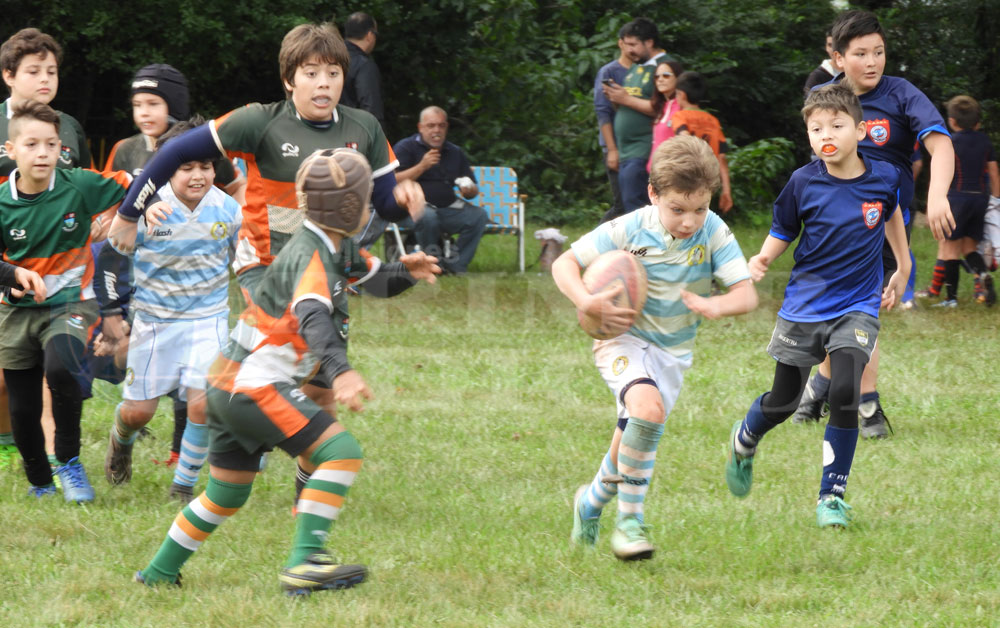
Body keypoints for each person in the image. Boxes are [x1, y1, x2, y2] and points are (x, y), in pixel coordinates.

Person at [134, 148, 440, 593]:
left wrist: (405, 272)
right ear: (348, 206)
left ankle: (158, 573)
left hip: (227, 384)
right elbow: (313, 316)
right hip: (252, 386)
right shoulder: (311, 255)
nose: (373, 204)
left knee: (226, 493)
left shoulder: (334, 243)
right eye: (367, 197)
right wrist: (340, 371)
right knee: (341, 452)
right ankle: (305, 561)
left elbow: (373, 278)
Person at [109, 22, 424, 418]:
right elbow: (174, 152)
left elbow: (384, 203)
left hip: (326, 263)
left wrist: (402, 200)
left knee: (320, 392)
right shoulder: (259, 121)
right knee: (272, 373)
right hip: (265, 265)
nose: (323, 83)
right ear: (289, 80)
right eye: (311, 73)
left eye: (333, 73)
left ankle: (278, 441)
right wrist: (128, 213)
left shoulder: (364, 128)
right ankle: (225, 423)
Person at [554, 136, 757, 561]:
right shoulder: (629, 228)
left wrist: (716, 305)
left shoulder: (714, 230)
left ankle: (589, 502)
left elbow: (746, 294)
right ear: (653, 194)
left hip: (673, 354)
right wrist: (586, 301)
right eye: (677, 210)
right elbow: (564, 263)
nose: (689, 221)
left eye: (699, 209)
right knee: (646, 411)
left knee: (632, 437)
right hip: (621, 339)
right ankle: (630, 524)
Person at [726, 84, 909, 529]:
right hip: (805, 306)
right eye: (816, 128)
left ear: (860, 130)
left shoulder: (884, 177)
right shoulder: (803, 181)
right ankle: (745, 437)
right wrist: (764, 258)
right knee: (784, 402)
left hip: (858, 303)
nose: (826, 134)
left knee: (845, 391)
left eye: (836, 125)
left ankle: (832, 497)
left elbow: (891, 214)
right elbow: (784, 227)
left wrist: (902, 266)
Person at [791, 10, 955, 437]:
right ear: (838, 57)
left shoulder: (901, 94)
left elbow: (941, 145)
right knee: (838, 310)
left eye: (878, 52)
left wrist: (936, 195)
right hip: (831, 222)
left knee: (859, 310)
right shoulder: (825, 96)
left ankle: (857, 402)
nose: (872, 61)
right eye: (861, 53)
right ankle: (830, 390)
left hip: (881, 221)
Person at [104, 117, 242, 503]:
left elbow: (244, 260)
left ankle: (182, 485)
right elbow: (110, 257)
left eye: (206, 166)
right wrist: (111, 312)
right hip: (154, 322)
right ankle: (121, 440)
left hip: (208, 319)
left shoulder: (228, 209)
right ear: (167, 167)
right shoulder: (147, 207)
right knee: (138, 412)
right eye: (187, 167)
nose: (198, 176)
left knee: (203, 403)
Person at [0, 101, 131, 501]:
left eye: (51, 144)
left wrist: (139, 211)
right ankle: (40, 481)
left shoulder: (79, 185)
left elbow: (139, 182)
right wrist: (13, 275)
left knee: (60, 369)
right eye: (32, 144)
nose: (43, 153)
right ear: (11, 150)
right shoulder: (1, 201)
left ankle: (70, 462)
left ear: (61, 148)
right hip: (15, 311)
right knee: (22, 409)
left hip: (71, 303)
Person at [0, 27, 92, 469]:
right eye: (33, 71)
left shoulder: (67, 127)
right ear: (8, 76)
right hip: (7, 262)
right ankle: (14, 444)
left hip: (58, 271)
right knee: (11, 379)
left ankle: (60, 458)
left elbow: (85, 186)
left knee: (53, 368)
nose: (44, 79)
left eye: (51, 71)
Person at [392, 106, 489, 274]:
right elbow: (392, 180)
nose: (436, 130)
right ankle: (432, 264)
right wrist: (422, 166)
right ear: (420, 127)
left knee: (478, 216)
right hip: (409, 209)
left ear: (446, 127)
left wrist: (469, 189)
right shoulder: (406, 147)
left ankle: (456, 265)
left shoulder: (454, 152)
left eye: (441, 125)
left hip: (447, 209)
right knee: (428, 216)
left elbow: (473, 190)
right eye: (431, 126)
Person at [922, 95, 997, 307]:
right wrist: (995, 201)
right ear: (977, 122)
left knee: (949, 251)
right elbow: (994, 173)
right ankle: (983, 274)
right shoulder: (985, 142)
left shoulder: (949, 143)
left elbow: (939, 173)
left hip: (956, 199)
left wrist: (933, 203)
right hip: (980, 199)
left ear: (952, 121)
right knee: (969, 248)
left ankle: (951, 299)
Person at [601, 17, 673, 216]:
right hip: (626, 149)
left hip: (645, 147)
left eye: (633, 45)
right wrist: (615, 97)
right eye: (625, 44)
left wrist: (625, 99)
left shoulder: (665, 67)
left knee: (637, 205)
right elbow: (630, 102)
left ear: (649, 42)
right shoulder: (636, 66)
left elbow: (665, 109)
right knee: (628, 203)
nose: (628, 50)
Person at [670, 71, 733, 213]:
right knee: (702, 213)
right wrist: (726, 191)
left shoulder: (680, 116)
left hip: (687, 176)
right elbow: (722, 157)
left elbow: (685, 139)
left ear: (681, 95)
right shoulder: (713, 121)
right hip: (708, 178)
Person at [593, 28, 632, 223]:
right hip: (617, 146)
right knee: (621, 205)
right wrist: (612, 150)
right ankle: (593, 241)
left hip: (640, 146)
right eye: (629, 43)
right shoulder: (608, 72)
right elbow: (603, 113)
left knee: (638, 203)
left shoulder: (645, 72)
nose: (632, 49)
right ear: (620, 43)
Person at [341, 12, 384, 125]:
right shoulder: (364, 65)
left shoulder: (331, 58)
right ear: (370, 35)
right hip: (352, 131)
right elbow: (371, 108)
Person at [647, 59, 684, 171]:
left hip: (673, 172)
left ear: (678, 78)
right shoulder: (662, 107)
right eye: (656, 77)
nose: (660, 79)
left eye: (666, 75)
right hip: (656, 173)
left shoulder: (682, 107)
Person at [803, 29, 842, 94]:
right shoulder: (817, 76)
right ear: (826, 47)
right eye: (830, 45)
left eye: (837, 45)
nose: (833, 49)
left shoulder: (856, 72)